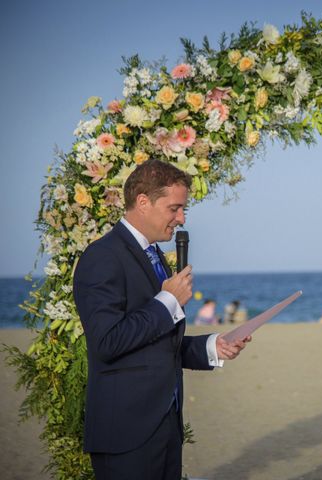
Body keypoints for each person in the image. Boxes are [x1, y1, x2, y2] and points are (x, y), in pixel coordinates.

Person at [73, 159, 250, 480]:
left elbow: (158, 345)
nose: (181, 219)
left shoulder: (153, 258)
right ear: (143, 202)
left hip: (165, 425)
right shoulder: (102, 257)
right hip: (125, 432)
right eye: (174, 208)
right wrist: (167, 300)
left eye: (183, 210)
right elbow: (107, 342)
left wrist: (214, 347)